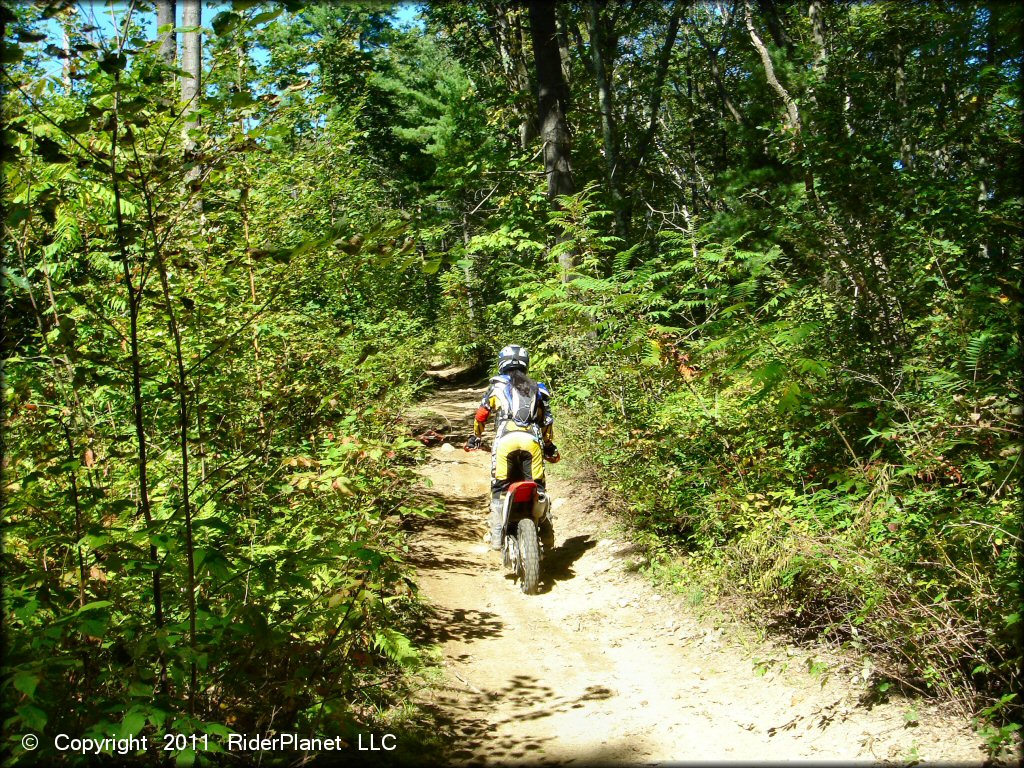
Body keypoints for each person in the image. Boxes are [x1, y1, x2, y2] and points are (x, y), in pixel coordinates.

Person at [466, 345, 559, 550]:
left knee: (499, 489)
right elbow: (547, 421)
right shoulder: (538, 388)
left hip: (505, 443)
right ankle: (546, 531)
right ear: (526, 364)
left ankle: (497, 536)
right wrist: (549, 446)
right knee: (539, 489)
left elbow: (481, 415)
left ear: (501, 364)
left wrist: (476, 437)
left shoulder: (497, 386)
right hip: (532, 444)